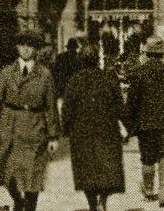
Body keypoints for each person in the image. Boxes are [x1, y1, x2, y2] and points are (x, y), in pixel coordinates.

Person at [0, 32, 61, 211]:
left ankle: (29, 208)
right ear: (17, 47)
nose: (26, 49)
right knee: (7, 172)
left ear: (35, 49)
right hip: (9, 127)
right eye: (22, 44)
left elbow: (50, 106)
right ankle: (18, 200)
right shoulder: (6, 73)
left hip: (34, 128)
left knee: (32, 176)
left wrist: (53, 136)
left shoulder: (44, 74)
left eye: (30, 45)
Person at [61, 43, 125, 211]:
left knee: (86, 170)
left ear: (81, 60)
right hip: (107, 130)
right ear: (97, 60)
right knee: (106, 168)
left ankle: (92, 205)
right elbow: (119, 105)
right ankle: (103, 199)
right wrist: (127, 127)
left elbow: (67, 108)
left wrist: (66, 128)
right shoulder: (109, 78)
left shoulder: (74, 80)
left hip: (82, 133)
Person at [124, 37, 164, 208]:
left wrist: (130, 124)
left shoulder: (138, 73)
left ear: (146, 53)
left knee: (148, 158)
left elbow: (132, 102)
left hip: (146, 125)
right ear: (162, 54)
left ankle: (149, 190)